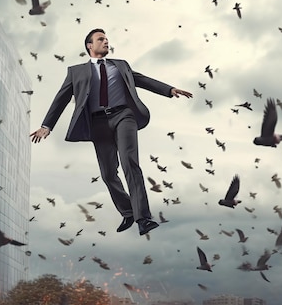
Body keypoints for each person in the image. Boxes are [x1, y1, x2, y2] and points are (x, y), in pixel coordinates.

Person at [30, 28, 193, 236]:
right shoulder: (75, 72)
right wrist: (46, 126)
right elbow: (61, 98)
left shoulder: (121, 65)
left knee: (129, 163)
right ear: (90, 45)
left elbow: (142, 80)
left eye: (107, 39)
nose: (106, 41)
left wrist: (169, 90)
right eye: (101, 39)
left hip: (124, 116)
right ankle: (128, 211)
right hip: (97, 122)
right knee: (108, 173)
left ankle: (143, 218)